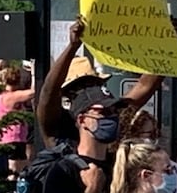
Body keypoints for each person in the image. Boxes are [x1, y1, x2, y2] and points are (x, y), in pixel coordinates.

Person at [35, 19, 161, 148]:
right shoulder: (60, 132)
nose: (107, 116)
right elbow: (48, 92)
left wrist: (167, 43)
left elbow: (144, 86)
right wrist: (73, 46)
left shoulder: (113, 116)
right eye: (83, 85)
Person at [0, 64, 36, 180]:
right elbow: (33, 92)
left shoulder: (0, 97)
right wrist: (33, 74)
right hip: (13, 139)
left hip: (6, 138)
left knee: (19, 169)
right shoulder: (10, 97)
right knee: (15, 171)